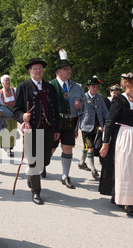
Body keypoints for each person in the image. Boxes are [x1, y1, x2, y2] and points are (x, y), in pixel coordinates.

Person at [99, 72, 133, 217]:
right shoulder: (120, 100)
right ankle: (126, 202)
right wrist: (106, 143)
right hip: (125, 136)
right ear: (128, 84)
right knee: (126, 167)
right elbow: (110, 122)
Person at [13, 57, 60, 205]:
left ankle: (31, 177)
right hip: (32, 131)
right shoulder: (23, 87)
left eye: (40, 68)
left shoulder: (50, 88)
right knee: (34, 162)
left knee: (44, 161)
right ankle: (36, 192)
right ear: (30, 71)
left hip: (48, 130)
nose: (38, 71)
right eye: (35, 68)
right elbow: (16, 111)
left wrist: (57, 129)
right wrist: (23, 117)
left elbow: (56, 111)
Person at [49, 49, 85, 189]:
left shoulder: (77, 86)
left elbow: (83, 107)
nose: (69, 71)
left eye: (69, 69)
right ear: (58, 71)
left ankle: (65, 175)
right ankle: (44, 165)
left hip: (70, 121)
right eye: (66, 69)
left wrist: (79, 106)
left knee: (68, 148)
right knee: (51, 149)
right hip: (55, 122)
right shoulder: (50, 86)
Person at [77, 75, 109, 180]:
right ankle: (93, 170)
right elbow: (78, 114)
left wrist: (108, 123)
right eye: (93, 86)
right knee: (90, 148)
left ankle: (81, 162)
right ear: (88, 87)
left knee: (88, 146)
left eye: (96, 86)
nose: (95, 88)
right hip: (86, 127)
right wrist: (75, 129)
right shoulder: (83, 98)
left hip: (97, 127)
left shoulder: (100, 98)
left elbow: (104, 111)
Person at [0, 74, 18, 157]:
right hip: (5, 116)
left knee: (13, 132)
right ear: (2, 82)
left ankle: (10, 148)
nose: (8, 81)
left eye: (8, 80)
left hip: (13, 116)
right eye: (6, 80)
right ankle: (7, 149)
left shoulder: (14, 90)